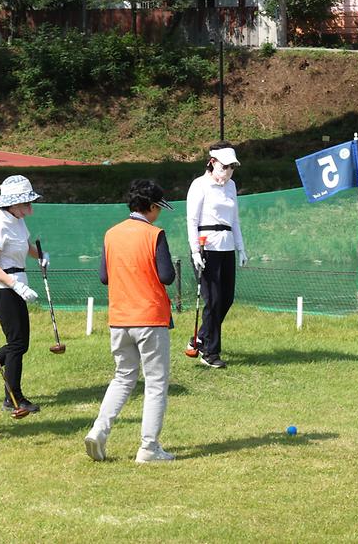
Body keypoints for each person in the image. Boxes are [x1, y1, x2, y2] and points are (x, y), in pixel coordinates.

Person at [85, 179, 176, 463]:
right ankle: (149, 448)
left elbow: (104, 277)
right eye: (158, 208)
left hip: (120, 318)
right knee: (155, 382)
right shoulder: (154, 234)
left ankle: (99, 431)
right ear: (149, 207)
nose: (158, 214)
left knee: (123, 377)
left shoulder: (111, 234)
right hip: (149, 317)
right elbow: (167, 276)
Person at [0, 175, 46, 415]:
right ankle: (13, 397)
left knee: (19, 344)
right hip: (4, 290)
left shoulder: (18, 221)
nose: (30, 208)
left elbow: (26, 247)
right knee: (17, 344)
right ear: (12, 204)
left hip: (17, 287)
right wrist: (17, 285)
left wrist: (41, 256)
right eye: (26, 204)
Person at [185, 141, 248, 369]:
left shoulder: (231, 186)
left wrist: (241, 248)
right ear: (212, 163)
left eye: (232, 167)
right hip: (206, 247)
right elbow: (192, 220)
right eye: (225, 167)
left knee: (226, 299)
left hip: (226, 246)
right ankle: (210, 353)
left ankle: (200, 338)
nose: (228, 172)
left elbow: (235, 220)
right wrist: (194, 250)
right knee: (212, 301)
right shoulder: (199, 185)